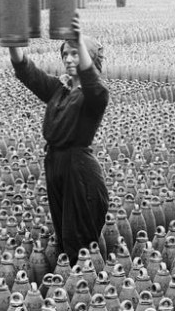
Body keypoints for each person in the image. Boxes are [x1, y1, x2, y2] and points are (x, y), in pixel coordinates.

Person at [8, 14, 110, 266]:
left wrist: (77, 38)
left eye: (75, 53)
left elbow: (92, 83)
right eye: (65, 54)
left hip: (80, 172)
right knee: (64, 238)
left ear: (89, 57)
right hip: (56, 166)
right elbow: (26, 71)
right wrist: (11, 40)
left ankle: (87, 291)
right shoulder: (59, 90)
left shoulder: (95, 96)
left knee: (79, 243)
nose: (68, 59)